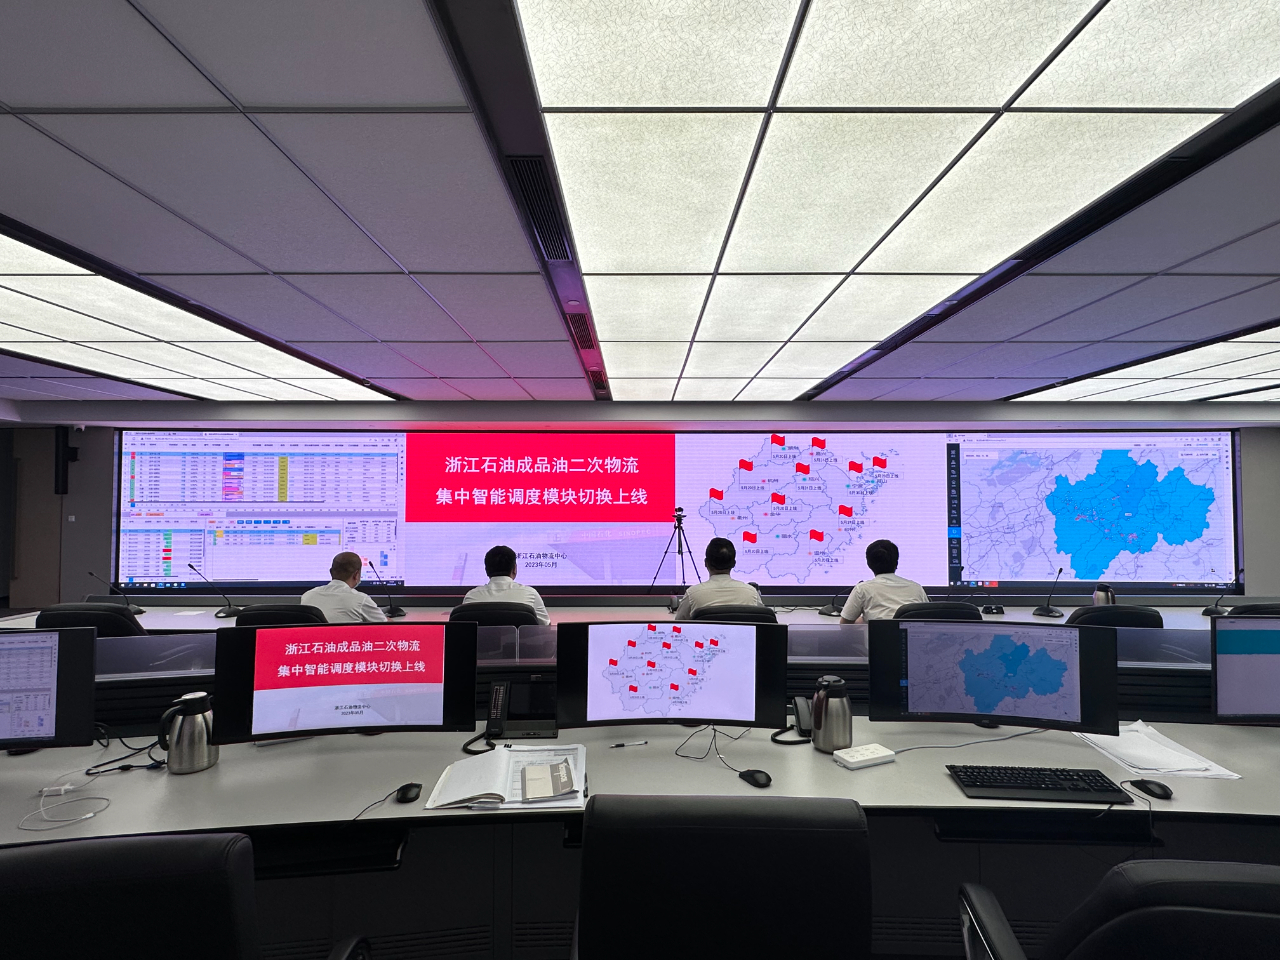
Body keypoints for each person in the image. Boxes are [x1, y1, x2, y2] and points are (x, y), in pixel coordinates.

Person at [673, 538, 765, 620]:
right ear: (734, 563)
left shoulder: (693, 594)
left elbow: (679, 625)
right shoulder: (751, 594)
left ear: (706, 563)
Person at [840, 539, 929, 623]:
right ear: (896, 562)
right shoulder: (917, 588)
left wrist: (866, 620)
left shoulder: (862, 589)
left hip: (877, 634)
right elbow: (929, 621)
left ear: (869, 564)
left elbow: (845, 624)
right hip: (910, 634)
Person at [463, 545, 550, 625]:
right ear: (514, 569)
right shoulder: (531, 594)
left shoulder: (471, 597)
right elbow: (546, 628)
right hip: (521, 638)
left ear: (486, 570)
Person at [301, 551, 388, 623]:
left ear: (331, 572)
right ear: (356, 575)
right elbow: (386, 625)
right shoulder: (361, 600)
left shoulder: (308, 596)